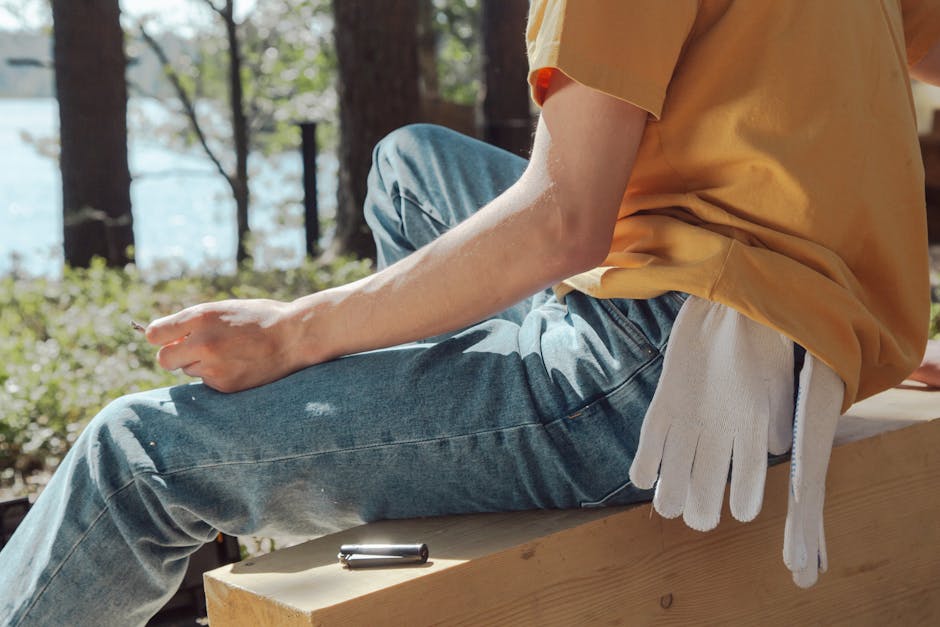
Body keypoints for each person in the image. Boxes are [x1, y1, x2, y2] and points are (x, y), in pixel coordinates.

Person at [2, 1, 938, 624]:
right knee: (411, 165)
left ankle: (456, 426)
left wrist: (294, 330)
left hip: (664, 374)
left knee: (137, 457)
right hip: (774, 312)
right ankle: (433, 438)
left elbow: (564, 222)